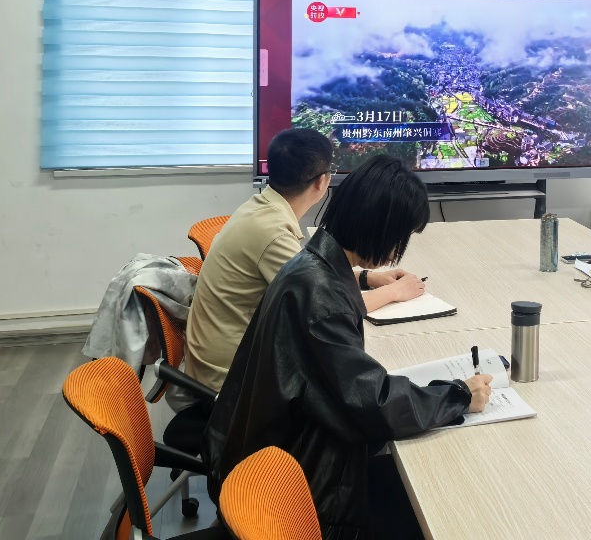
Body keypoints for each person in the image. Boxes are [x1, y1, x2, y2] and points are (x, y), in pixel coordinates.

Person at [203, 155, 492, 540]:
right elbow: (372, 404)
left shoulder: (312, 264)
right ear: (380, 228)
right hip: (297, 488)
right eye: (400, 236)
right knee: (444, 504)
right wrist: (457, 395)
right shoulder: (321, 299)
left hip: (272, 452)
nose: (398, 250)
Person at [184, 128, 426, 393]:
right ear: (322, 181)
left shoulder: (261, 209)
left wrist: (367, 278)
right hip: (229, 383)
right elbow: (329, 308)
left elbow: (313, 277)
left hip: (227, 357)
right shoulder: (274, 235)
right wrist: (394, 292)